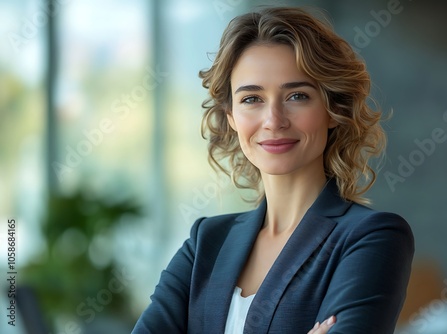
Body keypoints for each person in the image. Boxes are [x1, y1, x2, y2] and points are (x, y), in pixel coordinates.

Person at [132, 6, 414, 334]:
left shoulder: (372, 237)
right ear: (231, 117)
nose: (274, 120)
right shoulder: (205, 242)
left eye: (297, 95)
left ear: (333, 108)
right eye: (252, 99)